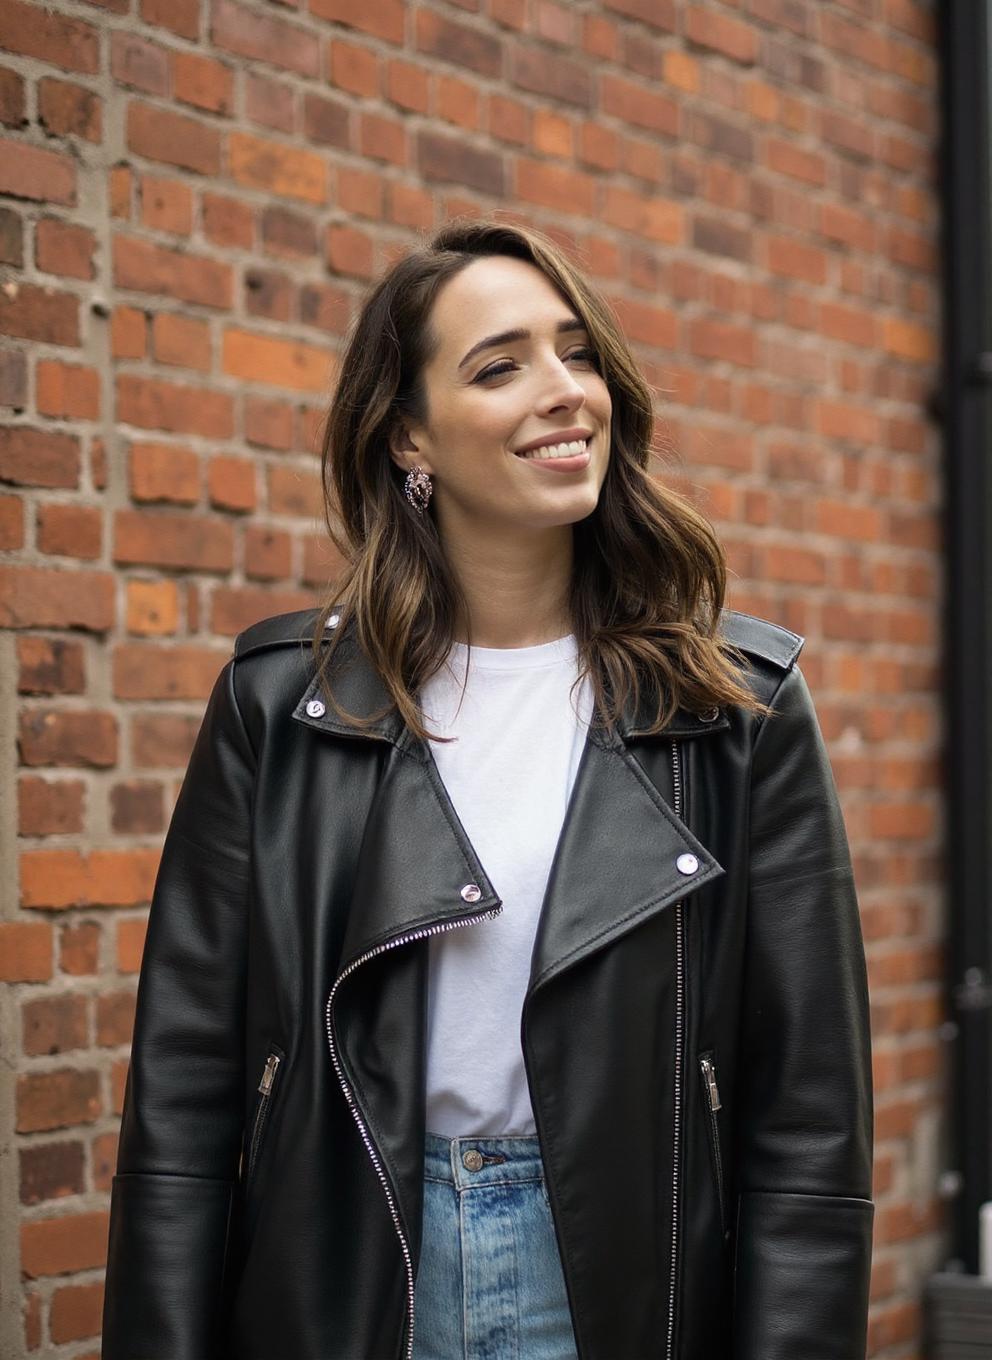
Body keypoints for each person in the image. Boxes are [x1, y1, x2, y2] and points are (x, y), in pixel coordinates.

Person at [100, 217, 874, 1360]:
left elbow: (806, 1119)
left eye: (577, 353)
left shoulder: (731, 709)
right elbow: (181, 1096)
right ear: (408, 435)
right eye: (499, 366)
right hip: (345, 1278)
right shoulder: (283, 706)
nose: (563, 392)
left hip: (615, 1281)